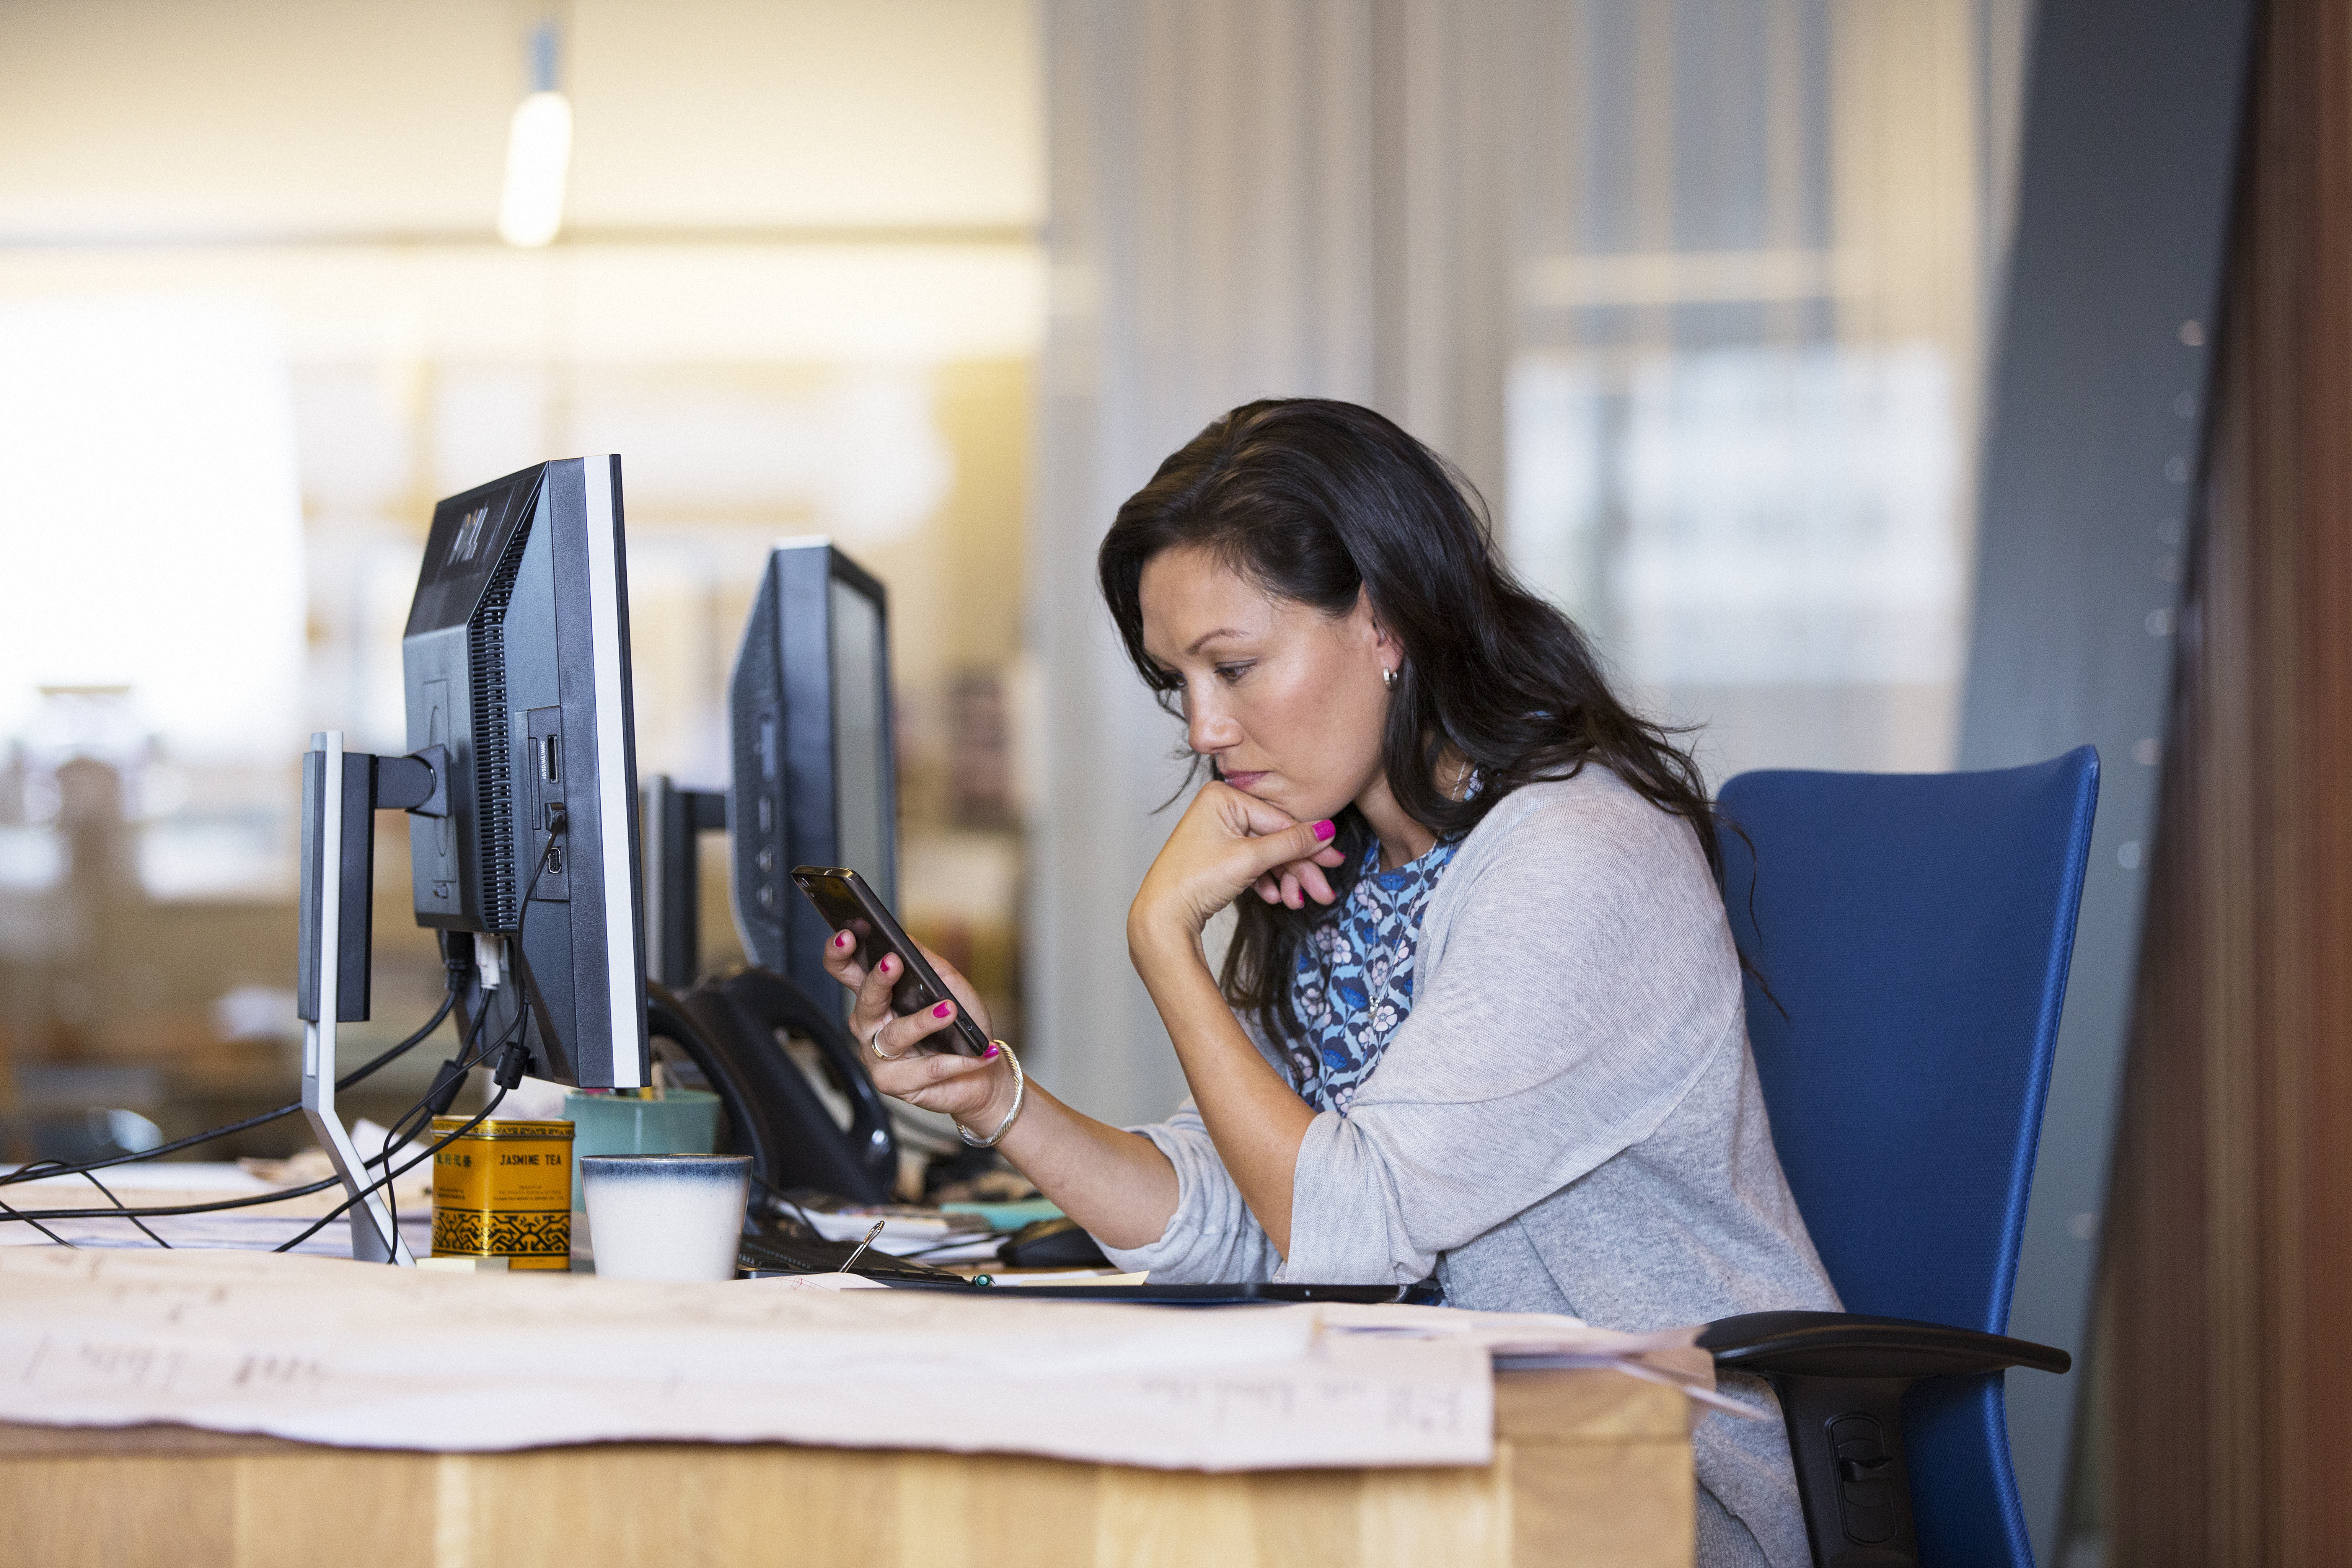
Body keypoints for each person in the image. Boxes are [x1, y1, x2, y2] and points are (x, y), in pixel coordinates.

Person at [822, 397, 1839, 1568]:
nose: (1204, 727)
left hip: (1646, 1487)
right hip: (1441, 1449)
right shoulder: (1349, 861)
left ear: (1386, 622)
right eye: (1178, 681)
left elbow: (1343, 1230)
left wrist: (1163, 938)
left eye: (1235, 666)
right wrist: (994, 1098)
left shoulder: (1572, 858)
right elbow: (1240, 1214)